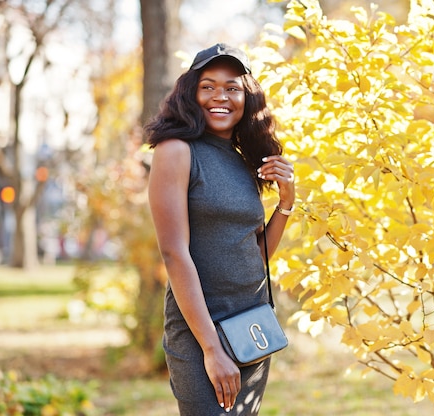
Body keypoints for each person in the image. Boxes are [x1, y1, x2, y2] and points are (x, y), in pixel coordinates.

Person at [144, 43, 295, 416]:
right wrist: (211, 349)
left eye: (232, 87)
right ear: (191, 93)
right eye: (208, 86)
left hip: (251, 326)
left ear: (248, 97)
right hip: (201, 332)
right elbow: (174, 253)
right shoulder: (176, 151)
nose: (220, 97)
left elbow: (254, 254)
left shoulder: (244, 160)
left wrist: (286, 202)